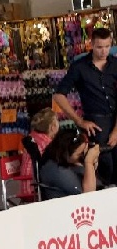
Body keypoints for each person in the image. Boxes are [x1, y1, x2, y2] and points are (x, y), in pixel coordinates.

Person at [53, 27, 117, 186]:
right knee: (104, 171)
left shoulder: (115, 64)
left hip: (115, 120)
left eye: (107, 46)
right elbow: (58, 95)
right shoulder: (79, 67)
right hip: (95, 124)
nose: (104, 51)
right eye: (99, 47)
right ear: (91, 44)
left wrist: (116, 130)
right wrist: (79, 121)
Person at [39, 128, 99, 200]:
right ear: (66, 153)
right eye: (80, 154)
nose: (83, 156)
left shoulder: (60, 159)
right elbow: (88, 195)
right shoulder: (57, 171)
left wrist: (92, 164)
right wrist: (89, 162)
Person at [20, 108, 59, 180]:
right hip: (37, 183)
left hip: (28, 181)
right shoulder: (46, 144)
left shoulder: (33, 137)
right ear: (53, 127)